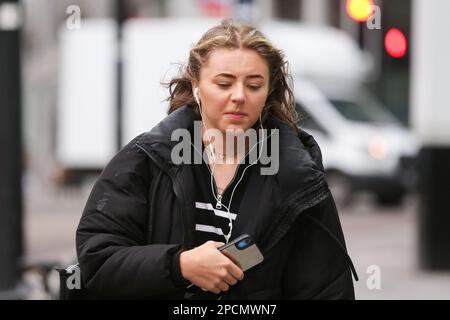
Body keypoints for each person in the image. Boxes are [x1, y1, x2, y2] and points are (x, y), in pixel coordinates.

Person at [76, 19, 358, 299]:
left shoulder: (298, 177)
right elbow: (97, 259)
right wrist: (179, 265)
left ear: (269, 91)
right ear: (196, 85)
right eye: (224, 83)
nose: (239, 96)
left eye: (254, 85)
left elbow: (327, 289)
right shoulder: (147, 158)